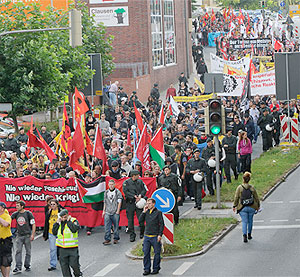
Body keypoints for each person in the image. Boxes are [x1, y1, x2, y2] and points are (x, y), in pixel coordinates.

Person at [139, 198, 164, 276]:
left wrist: (160, 235)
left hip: (155, 236)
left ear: (153, 204)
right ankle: (147, 269)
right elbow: (140, 221)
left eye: (149, 203)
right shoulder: (146, 212)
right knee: (146, 253)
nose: (148, 205)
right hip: (147, 236)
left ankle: (156, 268)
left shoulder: (158, 212)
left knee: (157, 253)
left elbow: (161, 224)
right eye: (147, 203)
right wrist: (143, 212)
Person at [52, 209, 81, 277]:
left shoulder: (73, 220)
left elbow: (74, 229)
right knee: (64, 267)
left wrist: (69, 221)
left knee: (74, 264)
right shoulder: (59, 223)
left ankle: (78, 274)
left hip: (72, 248)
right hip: (62, 248)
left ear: (68, 215)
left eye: (65, 217)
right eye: (62, 217)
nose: (63, 219)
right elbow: (54, 232)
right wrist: (56, 223)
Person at [233, 172, 260, 243]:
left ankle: (244, 235)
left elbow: (236, 197)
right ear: (249, 179)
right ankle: (249, 234)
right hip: (251, 206)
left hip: (242, 207)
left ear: (243, 179)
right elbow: (256, 198)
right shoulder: (252, 188)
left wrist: (234, 205)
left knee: (244, 221)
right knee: (250, 221)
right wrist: (258, 206)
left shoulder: (239, 188)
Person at [11, 200, 36, 274]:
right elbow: (9, 219)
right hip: (19, 235)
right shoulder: (16, 214)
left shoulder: (28, 213)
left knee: (28, 251)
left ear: (22, 206)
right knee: (18, 251)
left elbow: (33, 224)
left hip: (27, 235)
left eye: (18, 206)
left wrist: (32, 234)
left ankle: (27, 265)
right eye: (16, 205)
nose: (16, 207)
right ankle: (18, 267)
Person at [123, 170, 147, 242]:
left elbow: (144, 189)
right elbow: (125, 192)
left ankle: (142, 233)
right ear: (133, 175)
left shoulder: (140, 182)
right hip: (130, 203)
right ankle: (132, 235)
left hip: (139, 203)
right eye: (137, 175)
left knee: (141, 219)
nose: (138, 176)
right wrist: (134, 196)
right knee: (130, 221)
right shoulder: (126, 183)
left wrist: (140, 195)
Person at [43, 199, 62, 271]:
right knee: (53, 249)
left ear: (57, 204)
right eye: (51, 204)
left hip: (59, 232)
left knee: (61, 248)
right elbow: (46, 223)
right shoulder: (49, 212)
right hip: (51, 233)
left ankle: (63, 262)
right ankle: (53, 264)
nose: (52, 206)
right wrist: (45, 234)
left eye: (54, 204)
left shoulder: (61, 211)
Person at [102, 179, 123, 245]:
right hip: (108, 211)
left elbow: (119, 202)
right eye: (110, 184)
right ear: (108, 185)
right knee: (107, 226)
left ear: (114, 185)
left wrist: (118, 211)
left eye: (112, 184)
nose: (111, 186)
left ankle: (116, 238)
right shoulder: (106, 192)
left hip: (115, 211)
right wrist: (104, 211)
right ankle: (107, 239)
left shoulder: (117, 192)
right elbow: (105, 202)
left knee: (116, 226)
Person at [0, 202, 13, 277]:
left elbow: (6, 224)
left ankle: (7, 276)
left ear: (2, 208)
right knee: (1, 261)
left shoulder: (7, 216)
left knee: (6, 259)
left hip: (6, 240)